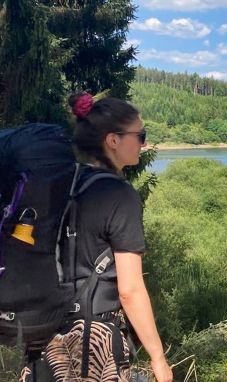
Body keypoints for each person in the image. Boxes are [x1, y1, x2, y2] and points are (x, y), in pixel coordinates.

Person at [19, 93, 173, 382]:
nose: (143, 142)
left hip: (43, 333)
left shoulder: (60, 184)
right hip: (94, 341)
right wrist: (158, 358)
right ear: (112, 140)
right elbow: (130, 290)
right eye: (139, 135)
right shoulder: (119, 195)